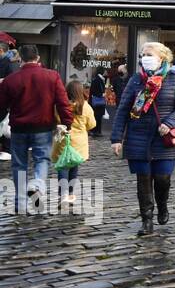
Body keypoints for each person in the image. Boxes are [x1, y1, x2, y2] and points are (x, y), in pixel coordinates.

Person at [111, 42, 175, 237]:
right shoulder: (136, 80)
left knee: (162, 179)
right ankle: (147, 220)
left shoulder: (173, 78)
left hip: (163, 138)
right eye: (143, 54)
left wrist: (169, 123)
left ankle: (162, 205)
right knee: (143, 180)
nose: (145, 57)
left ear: (162, 57)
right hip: (138, 137)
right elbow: (122, 110)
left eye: (149, 54)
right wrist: (116, 138)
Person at [0, 45, 73, 213]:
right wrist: (67, 123)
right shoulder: (52, 76)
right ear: (38, 58)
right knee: (42, 160)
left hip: (18, 129)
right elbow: (63, 103)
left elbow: (1, 105)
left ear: (20, 59)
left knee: (19, 165)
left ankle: (21, 204)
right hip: (43, 128)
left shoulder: (11, 79)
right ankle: (37, 184)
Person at [53, 79, 95, 207]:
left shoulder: (60, 106)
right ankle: (70, 193)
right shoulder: (86, 107)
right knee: (74, 166)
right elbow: (92, 124)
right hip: (79, 142)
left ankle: (63, 194)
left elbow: (56, 119)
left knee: (63, 166)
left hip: (64, 139)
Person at [88, 67, 108, 138]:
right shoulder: (97, 80)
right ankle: (95, 131)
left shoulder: (101, 79)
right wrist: (102, 94)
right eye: (105, 71)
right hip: (97, 102)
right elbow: (94, 91)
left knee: (98, 117)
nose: (106, 72)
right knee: (97, 116)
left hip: (99, 102)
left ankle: (97, 131)